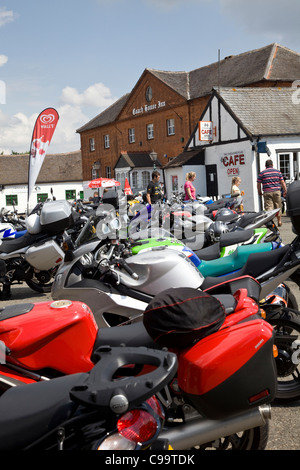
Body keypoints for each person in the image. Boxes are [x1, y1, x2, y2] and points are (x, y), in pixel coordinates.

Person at [257, 159, 287, 227]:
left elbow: (258, 184)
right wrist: (285, 190)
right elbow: (282, 182)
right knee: (278, 206)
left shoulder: (262, 173)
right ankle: (279, 221)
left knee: (269, 207)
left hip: (267, 192)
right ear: (272, 165)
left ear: (265, 165)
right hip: (277, 191)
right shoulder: (278, 172)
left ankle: (271, 222)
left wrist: (259, 191)